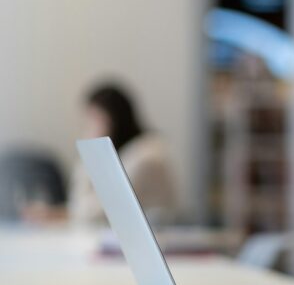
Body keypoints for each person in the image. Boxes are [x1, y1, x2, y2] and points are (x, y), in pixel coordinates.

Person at [21, 83, 178, 226]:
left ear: (114, 119)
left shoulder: (147, 154)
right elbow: (79, 200)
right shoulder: (120, 154)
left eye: (95, 119)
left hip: (158, 237)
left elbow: (102, 211)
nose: (90, 125)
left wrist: (55, 214)